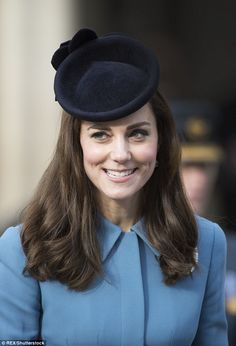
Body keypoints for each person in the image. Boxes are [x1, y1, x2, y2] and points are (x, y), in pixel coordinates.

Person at [0, 28, 228, 345]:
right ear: (76, 146)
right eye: (100, 135)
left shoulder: (207, 242)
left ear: (160, 142)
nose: (120, 154)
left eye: (137, 133)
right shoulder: (23, 249)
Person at [171, 100, 236, 345]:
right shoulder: (135, 246)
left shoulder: (230, 251)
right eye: (186, 165)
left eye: (206, 166)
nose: (199, 179)